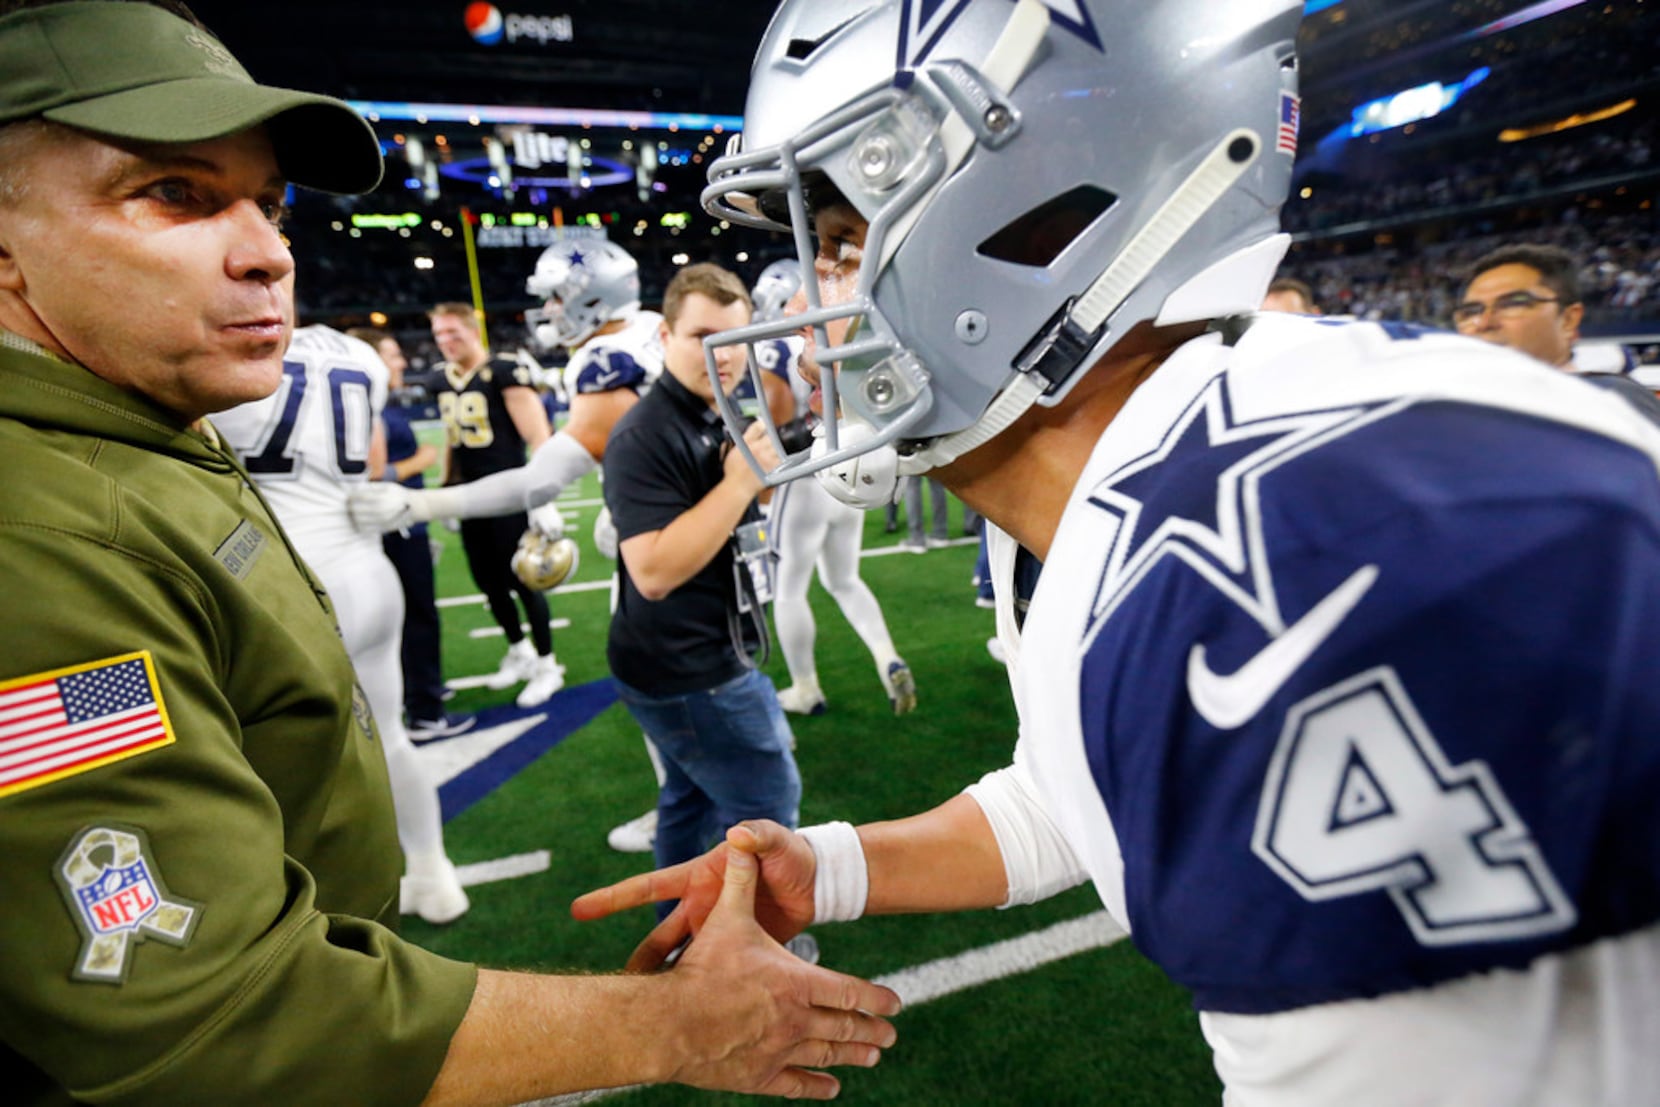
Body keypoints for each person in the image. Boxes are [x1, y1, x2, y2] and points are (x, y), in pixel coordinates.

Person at [577, 1, 1660, 1102]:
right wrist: (834, 870)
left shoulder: (1323, 536)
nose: (810, 307)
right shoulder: (1122, 488)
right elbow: (1077, 784)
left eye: (847, 243)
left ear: (1033, 213)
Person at [0, 2, 899, 1101]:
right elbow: (200, 1014)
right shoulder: (37, 533)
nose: (269, 253)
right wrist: (678, 1028)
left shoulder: (138, 429)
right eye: (174, 193)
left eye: (271, 205)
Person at [351, 239, 667, 852]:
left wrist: (421, 503)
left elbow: (537, 476)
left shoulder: (603, 361)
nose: (547, 310)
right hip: (698, 526)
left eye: (555, 297)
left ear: (590, 298)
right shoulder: (651, 329)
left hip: (665, 545)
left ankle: (689, 814)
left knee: (659, 689)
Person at [213, 324, 471, 923]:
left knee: (268, 759)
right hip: (368, 568)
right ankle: (434, 873)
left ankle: (307, 913)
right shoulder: (357, 355)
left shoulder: (227, 342)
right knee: (391, 734)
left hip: (287, 583)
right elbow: (374, 460)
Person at [602, 262, 806, 897]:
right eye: (702, 337)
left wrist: (749, 488)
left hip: (696, 649)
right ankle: (758, 952)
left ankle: (679, 941)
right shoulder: (645, 433)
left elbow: (740, 519)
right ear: (665, 337)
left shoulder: (716, 407)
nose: (721, 355)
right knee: (770, 811)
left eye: (734, 340)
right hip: (692, 667)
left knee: (688, 804)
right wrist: (742, 481)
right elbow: (655, 570)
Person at [752, 263, 918, 717]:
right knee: (844, 579)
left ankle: (806, 687)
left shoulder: (778, 347)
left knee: (789, 590)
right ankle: (887, 656)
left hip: (807, 476)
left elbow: (777, 414)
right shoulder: (843, 333)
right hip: (852, 466)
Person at [427, 301, 564, 707]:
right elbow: (452, 438)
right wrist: (446, 487)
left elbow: (539, 436)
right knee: (489, 583)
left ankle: (547, 664)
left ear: (473, 330)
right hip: (471, 497)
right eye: (438, 334)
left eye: (453, 332)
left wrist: (542, 497)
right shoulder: (441, 379)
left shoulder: (502, 370)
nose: (446, 341)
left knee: (524, 581)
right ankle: (519, 650)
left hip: (510, 493)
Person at [346, 325, 475, 742]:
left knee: (407, 616)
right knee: (415, 615)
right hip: (394, 525)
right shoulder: (364, 403)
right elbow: (369, 474)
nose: (401, 361)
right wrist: (419, 461)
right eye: (392, 354)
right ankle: (424, 712)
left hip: (399, 523)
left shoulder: (371, 400)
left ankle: (419, 690)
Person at [1453, 244, 1585, 369]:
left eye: (1512, 304)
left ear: (1568, 320)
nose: (1484, 323)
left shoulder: (1598, 392)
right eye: (1471, 312)